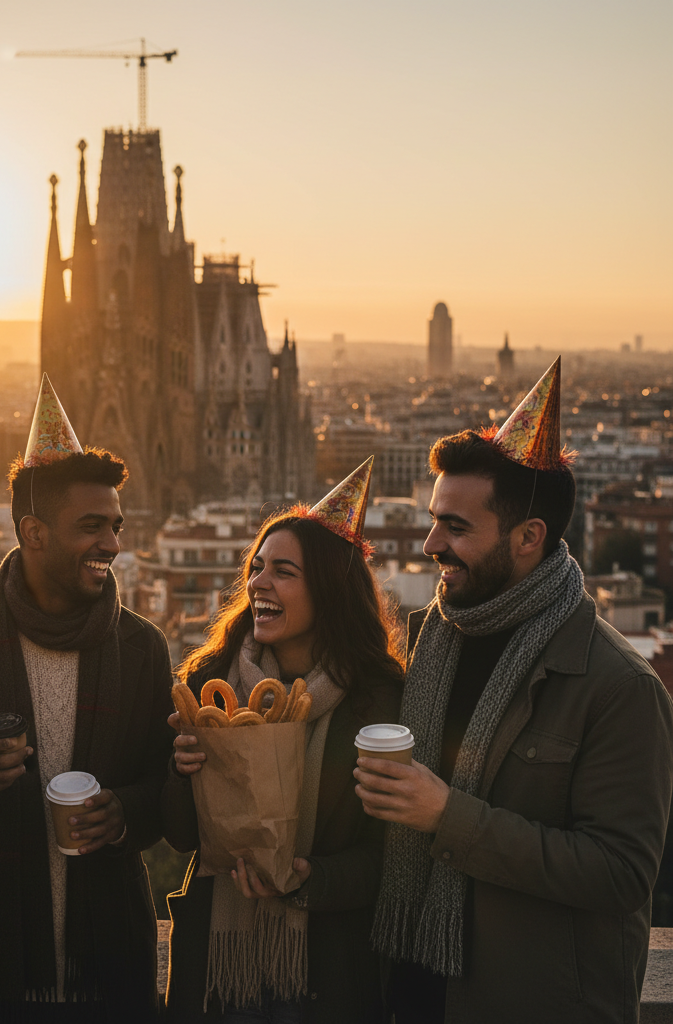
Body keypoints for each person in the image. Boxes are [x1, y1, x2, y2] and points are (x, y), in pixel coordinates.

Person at [356, 358, 673, 1024]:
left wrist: (448, 816)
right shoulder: (429, 642)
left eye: (456, 528)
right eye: (434, 519)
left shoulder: (619, 687)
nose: (429, 542)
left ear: (529, 538)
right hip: (414, 988)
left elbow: (620, 874)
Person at [0, 375, 174, 1023]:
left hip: (107, 968)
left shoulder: (143, 650)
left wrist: (125, 813)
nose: (111, 543)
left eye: (115, 525)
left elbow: (169, 789)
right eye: (91, 526)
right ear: (33, 532)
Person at [162, 458, 404, 1024]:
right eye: (258, 566)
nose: (258, 584)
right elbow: (178, 835)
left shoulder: (379, 704)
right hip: (220, 970)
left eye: (284, 572)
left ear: (329, 591)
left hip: (326, 969)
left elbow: (391, 857)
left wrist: (308, 880)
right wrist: (181, 771)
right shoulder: (209, 683)